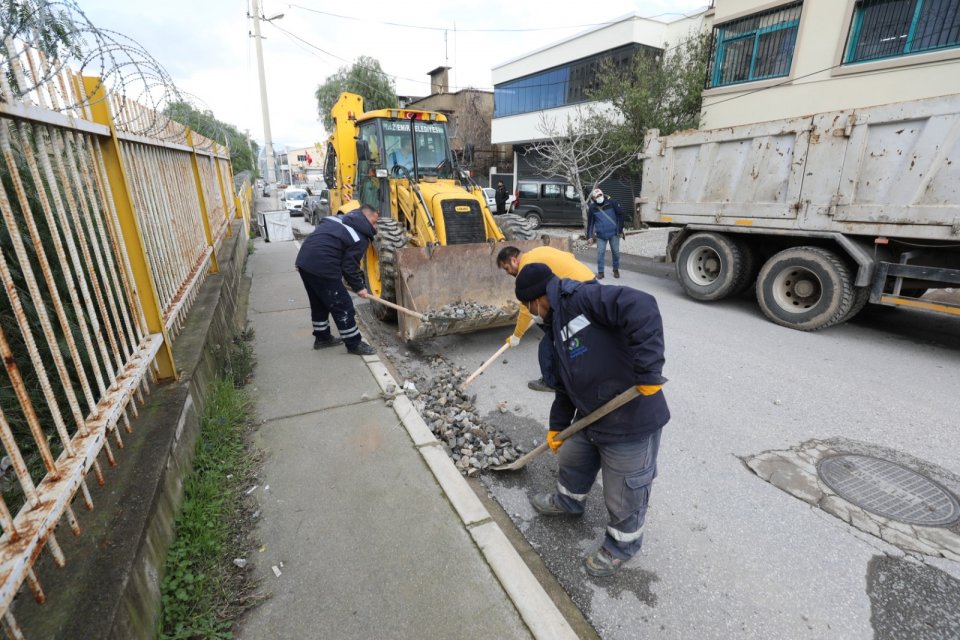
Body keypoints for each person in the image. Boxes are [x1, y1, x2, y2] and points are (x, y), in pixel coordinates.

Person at [514, 262, 669, 577]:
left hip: (630, 419)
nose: (529, 312)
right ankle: (569, 502)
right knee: (571, 457)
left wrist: (648, 371)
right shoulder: (555, 327)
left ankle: (621, 547)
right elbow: (563, 386)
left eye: (528, 306)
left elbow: (642, 306)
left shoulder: (581, 299)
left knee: (624, 494)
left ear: (537, 298)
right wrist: (557, 427)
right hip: (591, 416)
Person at [496, 245, 594, 392]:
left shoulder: (526, 270)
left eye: (506, 268)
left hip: (578, 292)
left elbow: (525, 308)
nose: (508, 273)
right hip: (590, 281)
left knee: (551, 341)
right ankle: (579, 365)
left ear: (514, 260)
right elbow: (569, 256)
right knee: (567, 334)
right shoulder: (537, 252)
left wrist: (516, 336)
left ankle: (551, 381)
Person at [295, 204, 379, 355]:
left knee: (319, 302)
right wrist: (359, 287)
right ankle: (354, 344)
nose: (375, 226)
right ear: (365, 217)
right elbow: (349, 267)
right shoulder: (359, 237)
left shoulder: (338, 219)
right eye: (374, 222)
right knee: (342, 304)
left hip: (304, 262)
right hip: (323, 267)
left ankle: (322, 338)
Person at [585, 188, 625, 279]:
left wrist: (619, 229)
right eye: (597, 196)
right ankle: (601, 272)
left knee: (616, 252)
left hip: (614, 233)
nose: (599, 197)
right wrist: (589, 236)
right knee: (600, 253)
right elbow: (590, 223)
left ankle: (615, 270)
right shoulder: (592, 208)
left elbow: (621, 215)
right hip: (601, 235)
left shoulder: (612, 202)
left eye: (600, 195)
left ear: (603, 194)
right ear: (594, 199)